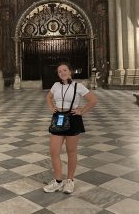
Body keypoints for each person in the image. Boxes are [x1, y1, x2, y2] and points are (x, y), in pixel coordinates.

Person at [43, 62, 97, 194]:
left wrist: (81, 111)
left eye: (64, 70)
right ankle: (57, 181)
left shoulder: (78, 86)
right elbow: (49, 97)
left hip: (73, 118)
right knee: (54, 151)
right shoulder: (56, 85)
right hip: (59, 118)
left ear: (70, 71)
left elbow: (93, 100)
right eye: (59, 71)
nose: (62, 72)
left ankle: (70, 181)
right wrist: (51, 107)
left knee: (71, 151)